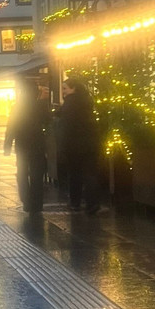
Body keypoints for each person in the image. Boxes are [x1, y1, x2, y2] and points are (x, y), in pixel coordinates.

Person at [3, 81, 51, 215]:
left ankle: (26, 201)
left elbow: (11, 126)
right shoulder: (40, 106)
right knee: (37, 174)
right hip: (37, 143)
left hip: (22, 144)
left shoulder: (17, 107)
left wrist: (7, 145)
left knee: (22, 172)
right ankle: (37, 203)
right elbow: (48, 122)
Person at [57, 78, 100, 215]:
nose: (63, 92)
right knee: (90, 174)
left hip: (74, 145)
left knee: (75, 174)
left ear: (73, 88)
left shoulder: (69, 104)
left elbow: (66, 126)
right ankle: (92, 204)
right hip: (90, 144)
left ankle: (75, 202)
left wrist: (62, 145)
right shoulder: (87, 101)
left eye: (65, 88)